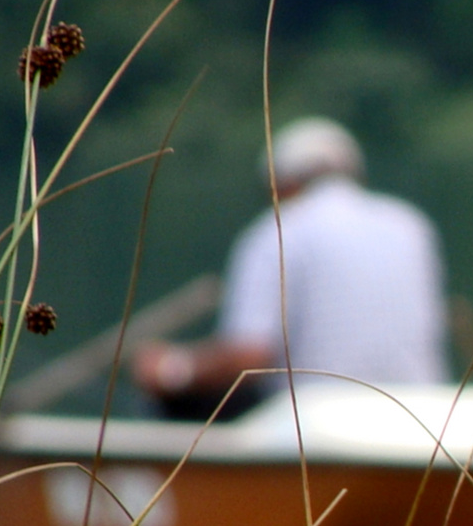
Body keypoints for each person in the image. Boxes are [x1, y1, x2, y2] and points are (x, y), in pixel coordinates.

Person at [134, 117, 449, 417]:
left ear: (281, 183)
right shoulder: (411, 225)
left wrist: (173, 369)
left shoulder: (276, 232)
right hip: (422, 415)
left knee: (173, 403)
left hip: (314, 421)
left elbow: (250, 356)